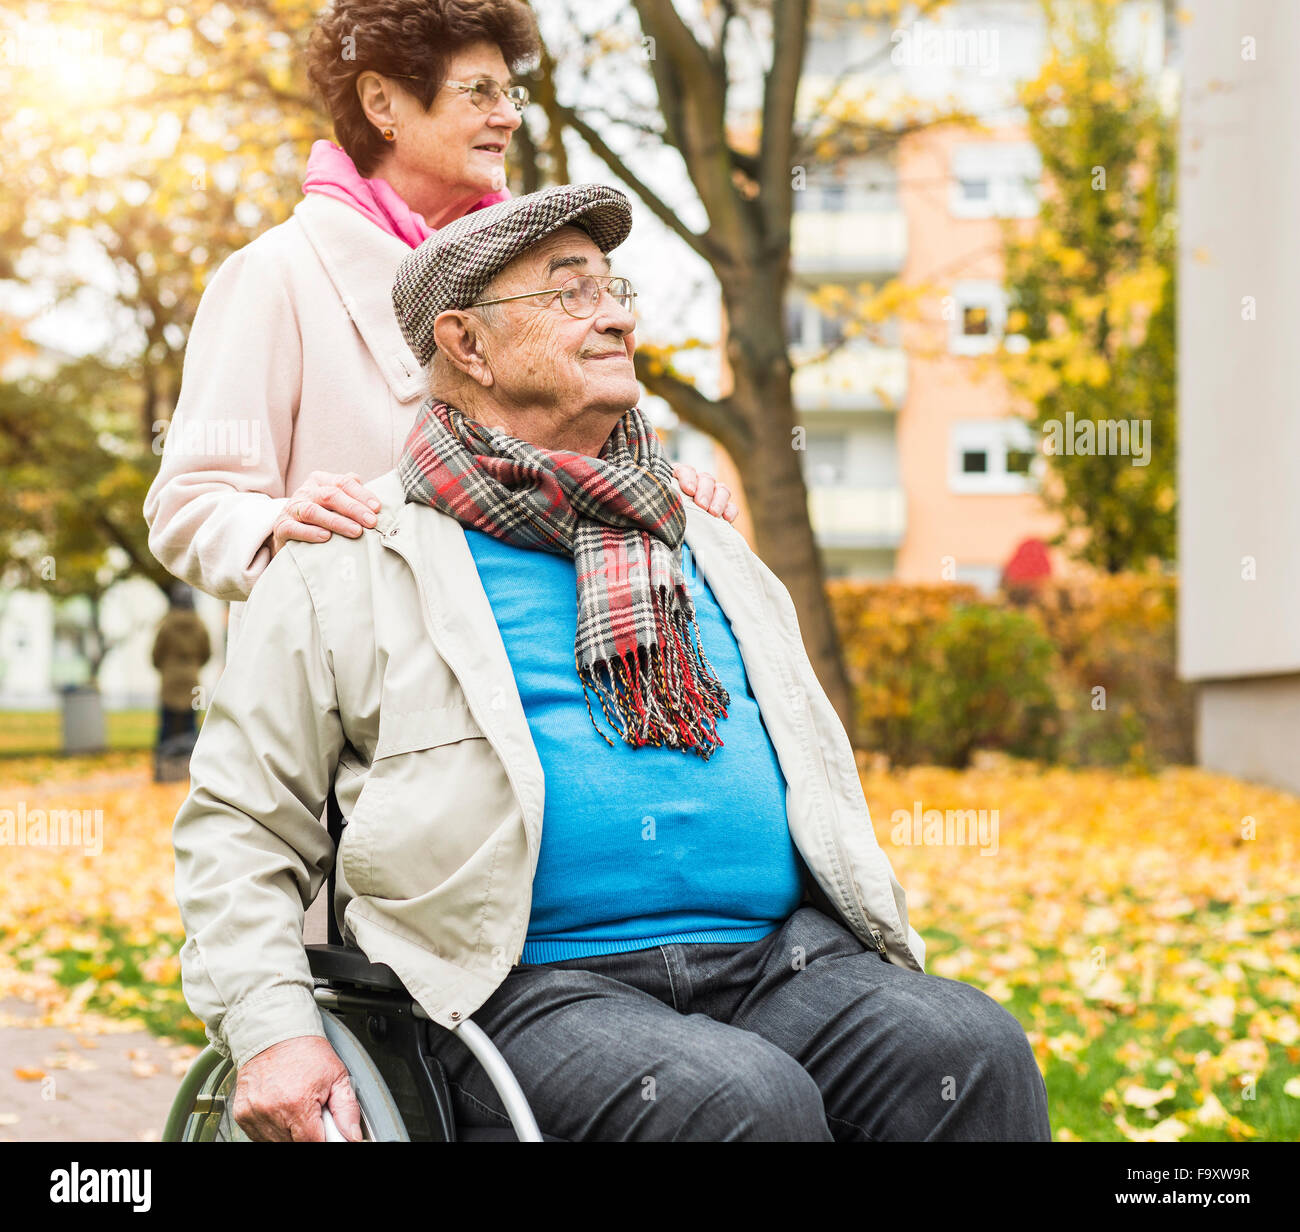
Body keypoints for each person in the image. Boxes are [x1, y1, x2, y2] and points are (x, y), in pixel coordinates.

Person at [170, 183, 1052, 1143]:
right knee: (739, 1103)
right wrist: (271, 1032)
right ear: (466, 344)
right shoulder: (346, 559)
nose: (617, 313)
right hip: (522, 993)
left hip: (780, 963)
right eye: (569, 291)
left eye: (615, 287)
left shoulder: (704, 537)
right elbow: (240, 826)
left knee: (972, 1048)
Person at [142, 0, 735, 663]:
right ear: (382, 103)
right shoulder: (273, 276)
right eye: (480, 91)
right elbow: (189, 506)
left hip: (540, 692)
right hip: (358, 719)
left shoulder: (546, 276)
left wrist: (648, 483)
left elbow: (570, 467)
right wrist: (277, 523)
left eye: (510, 93)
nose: (508, 115)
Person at [151, 582, 211, 745]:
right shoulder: (200, 626)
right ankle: (192, 765)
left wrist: (164, 667)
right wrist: (193, 665)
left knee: (167, 724)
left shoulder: (166, 625)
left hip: (170, 679)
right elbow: (206, 654)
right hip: (192, 679)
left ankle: (163, 764)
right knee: (191, 724)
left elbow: (156, 654)